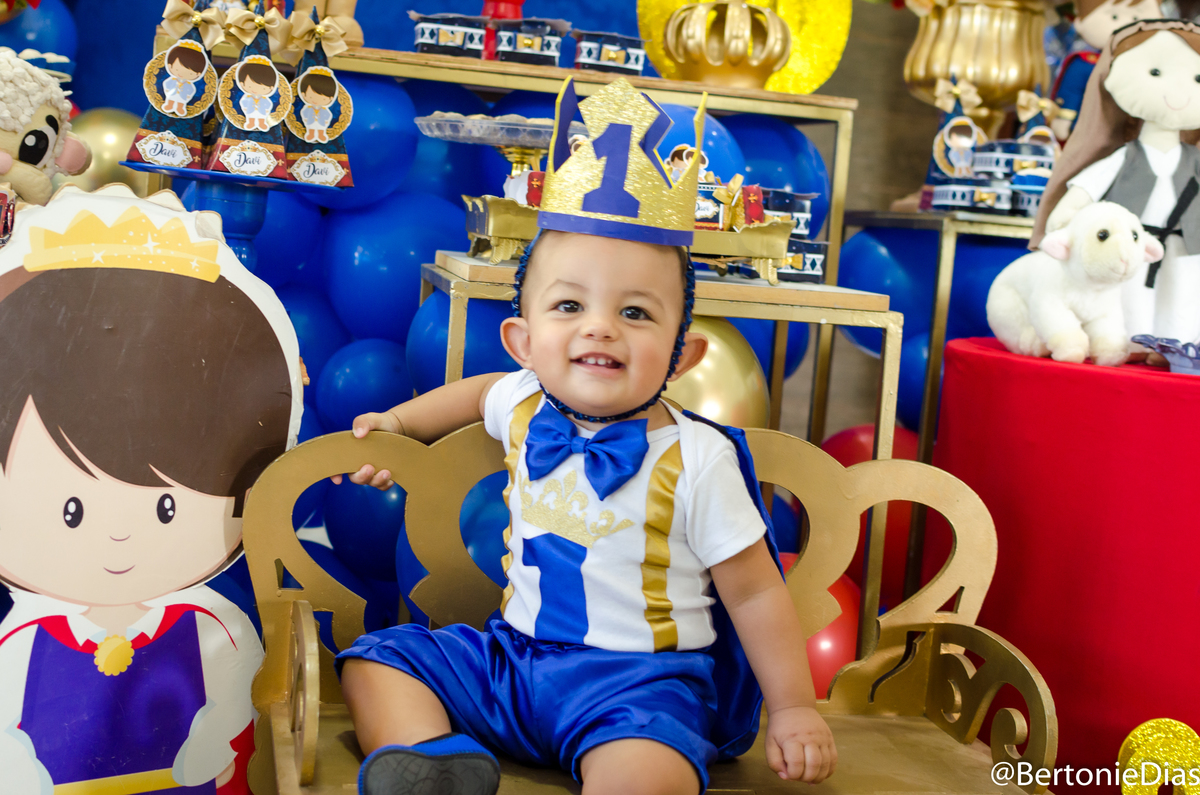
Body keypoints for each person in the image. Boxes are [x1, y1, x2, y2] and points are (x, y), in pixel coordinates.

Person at [333, 78, 837, 795]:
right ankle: (433, 763)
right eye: (569, 305)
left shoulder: (698, 459)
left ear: (683, 355)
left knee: (649, 760)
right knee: (378, 660)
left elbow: (756, 593)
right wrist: (399, 423)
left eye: (635, 313)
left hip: (638, 685)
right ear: (523, 341)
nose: (600, 327)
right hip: (514, 663)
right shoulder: (524, 401)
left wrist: (793, 707)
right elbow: (476, 392)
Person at [0, 194, 300, 792]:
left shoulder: (215, 628)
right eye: (72, 509)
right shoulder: (23, 640)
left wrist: (211, 744)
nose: (117, 533)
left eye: (167, 505)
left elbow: (237, 706)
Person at [1034, 19, 1200, 344]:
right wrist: (1066, 215)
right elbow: (1087, 187)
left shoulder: (1194, 159)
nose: (1179, 91)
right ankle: (1129, 341)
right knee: (1128, 294)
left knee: (1184, 292)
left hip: (1189, 244)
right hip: (1131, 245)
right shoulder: (1126, 157)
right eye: (1155, 73)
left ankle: (1174, 343)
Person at [1050, 0, 1161, 140]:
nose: (1126, 25)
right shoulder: (1085, 63)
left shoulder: (1146, 67)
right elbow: (1071, 92)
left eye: (1135, 18)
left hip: (1132, 133)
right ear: (1079, 22)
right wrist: (1064, 119)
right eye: (1115, 17)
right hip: (1088, 131)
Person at [161, 43, 208, 117]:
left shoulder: (189, 84)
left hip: (183, 96)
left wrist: (188, 95)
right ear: (169, 66)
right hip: (171, 94)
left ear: (198, 74)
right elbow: (166, 83)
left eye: (190, 73)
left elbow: (191, 90)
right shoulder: (172, 80)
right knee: (171, 100)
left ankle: (180, 108)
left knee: (181, 102)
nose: (181, 74)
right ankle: (169, 105)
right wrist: (167, 89)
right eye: (177, 69)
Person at [236, 60, 278, 132]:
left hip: (262, 111)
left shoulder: (265, 99)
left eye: (263, 88)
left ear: (271, 88)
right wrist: (245, 108)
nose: (255, 89)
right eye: (250, 86)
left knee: (261, 117)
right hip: (250, 110)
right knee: (251, 116)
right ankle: (251, 123)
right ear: (242, 84)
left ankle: (261, 123)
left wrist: (267, 109)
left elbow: (268, 104)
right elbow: (243, 102)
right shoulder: (247, 97)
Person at [297, 69, 338, 143]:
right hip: (310, 121)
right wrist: (305, 119)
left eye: (323, 99)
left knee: (321, 129)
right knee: (311, 128)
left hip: (321, 122)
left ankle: (321, 135)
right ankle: (311, 134)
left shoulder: (325, 110)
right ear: (303, 94)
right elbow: (304, 113)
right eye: (310, 97)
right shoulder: (307, 108)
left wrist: (326, 121)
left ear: (331, 98)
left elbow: (328, 115)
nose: (316, 100)